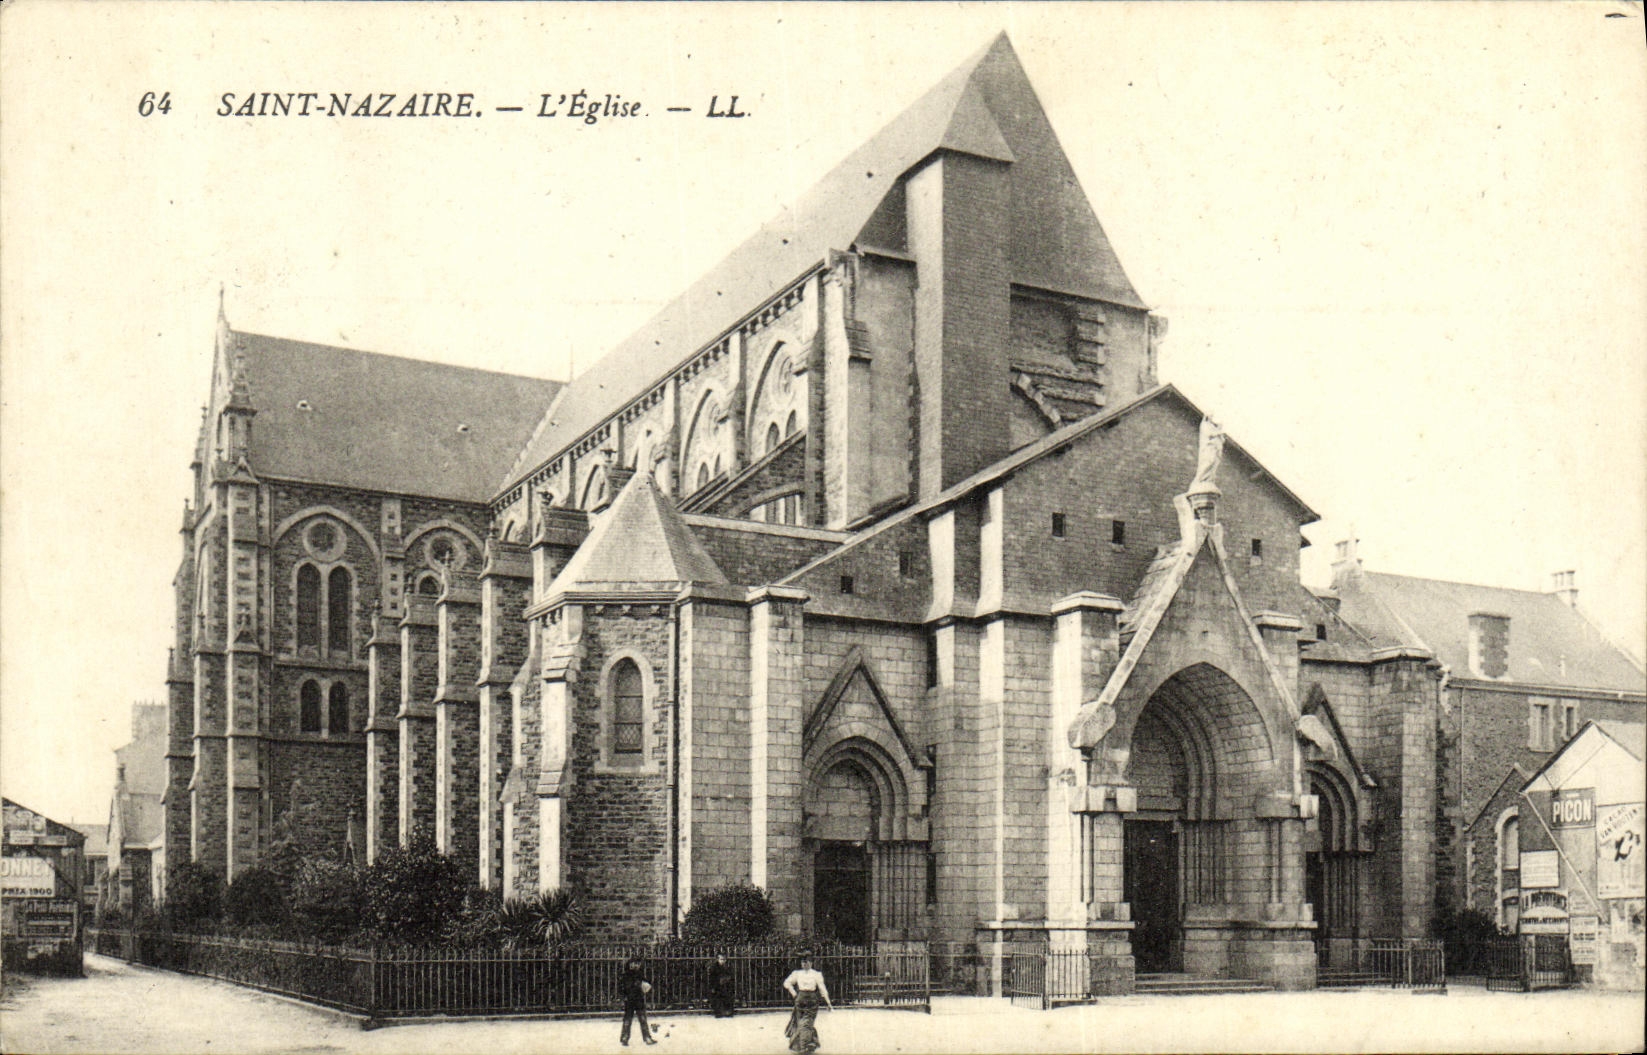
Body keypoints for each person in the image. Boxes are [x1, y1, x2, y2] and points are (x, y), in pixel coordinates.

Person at [781, 954, 832, 1053]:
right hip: (801, 999)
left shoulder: (816, 974)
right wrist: (794, 994)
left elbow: (822, 989)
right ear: (801, 963)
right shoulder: (797, 973)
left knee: (806, 1023)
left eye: (807, 962)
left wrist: (828, 1002)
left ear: (811, 963)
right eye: (803, 962)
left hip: (810, 1000)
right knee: (804, 1023)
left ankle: (804, 1045)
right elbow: (787, 983)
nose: (805, 964)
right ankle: (805, 1045)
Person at [619, 957, 657, 1046]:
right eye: (633, 963)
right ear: (629, 965)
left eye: (637, 964)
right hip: (630, 999)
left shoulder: (640, 975)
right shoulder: (626, 975)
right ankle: (625, 1037)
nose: (635, 965)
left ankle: (647, 1037)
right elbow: (625, 987)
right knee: (628, 1019)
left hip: (639, 999)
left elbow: (646, 984)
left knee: (643, 1019)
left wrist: (646, 985)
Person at [707, 953, 735, 1018]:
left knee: (727, 998)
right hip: (717, 986)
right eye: (721, 959)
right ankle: (718, 1013)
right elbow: (711, 977)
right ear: (718, 959)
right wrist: (712, 987)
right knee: (717, 999)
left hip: (726, 985)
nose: (723, 961)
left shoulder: (727, 966)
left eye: (724, 959)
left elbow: (731, 976)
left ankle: (728, 1012)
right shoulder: (714, 967)